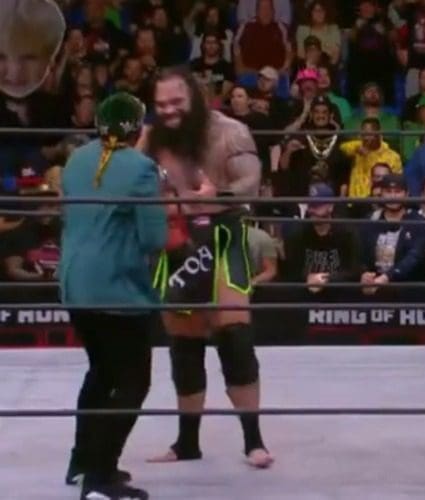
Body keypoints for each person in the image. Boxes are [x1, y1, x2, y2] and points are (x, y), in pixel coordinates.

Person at [139, 66, 273, 468]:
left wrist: (221, 194)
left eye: (176, 102)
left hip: (222, 233)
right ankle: (187, 443)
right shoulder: (151, 138)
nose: (168, 111)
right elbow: (131, 182)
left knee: (235, 338)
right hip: (174, 238)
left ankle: (254, 440)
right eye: (161, 104)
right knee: (185, 345)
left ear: (195, 96)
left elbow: (252, 181)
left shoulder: (230, 131)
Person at [61, 92, 166, 500]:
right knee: (132, 380)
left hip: (75, 284)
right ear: (138, 128)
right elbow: (154, 237)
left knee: (102, 372)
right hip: (116, 287)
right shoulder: (141, 168)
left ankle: (82, 462)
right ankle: (100, 478)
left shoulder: (76, 159)